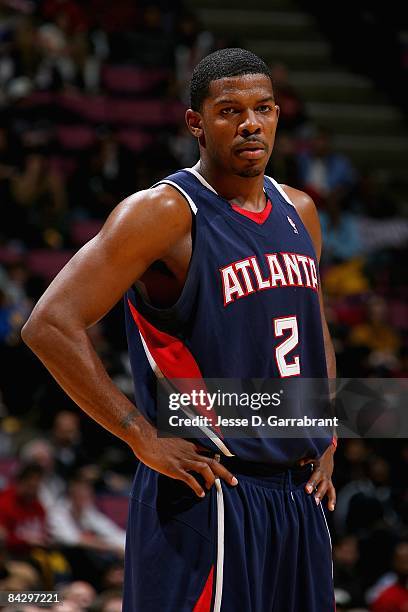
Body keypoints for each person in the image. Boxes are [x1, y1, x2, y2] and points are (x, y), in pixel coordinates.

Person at [22, 48, 337, 611]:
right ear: (196, 122)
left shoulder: (301, 211)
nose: (250, 124)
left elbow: (313, 332)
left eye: (263, 108)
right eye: (229, 110)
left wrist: (327, 433)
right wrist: (139, 434)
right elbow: (49, 324)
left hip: (297, 499)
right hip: (209, 493)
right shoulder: (163, 213)